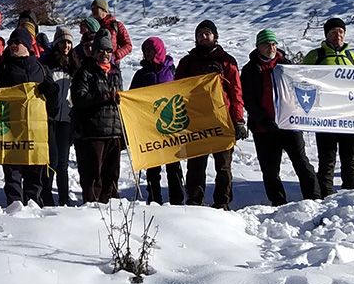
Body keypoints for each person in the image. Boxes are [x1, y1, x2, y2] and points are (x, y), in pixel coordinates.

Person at [240, 28, 319, 204]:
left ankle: (314, 198)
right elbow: (248, 99)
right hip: (264, 128)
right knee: (270, 170)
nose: (271, 47)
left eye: (274, 44)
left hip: (290, 125)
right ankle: (278, 202)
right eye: (267, 44)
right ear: (258, 46)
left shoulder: (288, 65)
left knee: (302, 163)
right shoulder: (250, 69)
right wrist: (263, 119)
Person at [175, 21, 248, 208]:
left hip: (223, 121)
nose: (203, 37)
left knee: (223, 166)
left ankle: (222, 202)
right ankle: (194, 201)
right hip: (196, 122)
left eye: (207, 33)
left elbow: (236, 93)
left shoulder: (227, 61)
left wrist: (238, 120)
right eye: (200, 34)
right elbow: (176, 91)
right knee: (195, 166)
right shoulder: (187, 62)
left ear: (215, 36)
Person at [0, 26, 59, 204]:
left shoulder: (41, 69)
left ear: (27, 45)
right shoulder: (2, 68)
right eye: (11, 42)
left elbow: (53, 108)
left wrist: (52, 91)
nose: (12, 45)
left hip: (35, 133)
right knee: (12, 176)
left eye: (17, 42)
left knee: (35, 175)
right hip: (10, 132)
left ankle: (33, 207)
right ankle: (15, 208)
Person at [303, 17, 354, 195]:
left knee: (350, 157)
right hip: (325, 116)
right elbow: (302, 80)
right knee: (327, 158)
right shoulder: (316, 56)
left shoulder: (352, 56)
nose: (338, 35)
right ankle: (326, 193)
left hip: (349, 115)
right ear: (326, 35)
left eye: (341, 32)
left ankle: (351, 191)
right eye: (333, 32)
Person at [70, 31, 123, 203]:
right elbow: (78, 98)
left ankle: (112, 207)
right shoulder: (85, 72)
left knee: (112, 174)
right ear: (94, 52)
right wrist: (105, 96)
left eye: (108, 51)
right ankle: (92, 209)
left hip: (114, 131)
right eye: (101, 50)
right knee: (93, 175)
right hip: (92, 132)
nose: (105, 54)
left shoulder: (116, 72)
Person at [130, 37, 183, 204]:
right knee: (153, 167)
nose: (148, 54)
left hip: (170, 126)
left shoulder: (172, 72)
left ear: (159, 50)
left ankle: (177, 199)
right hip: (150, 127)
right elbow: (132, 97)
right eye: (145, 51)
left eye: (151, 50)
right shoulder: (141, 75)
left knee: (173, 166)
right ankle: (154, 198)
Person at [42, 29, 78, 206]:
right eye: (63, 42)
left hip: (67, 119)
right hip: (50, 118)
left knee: (62, 162)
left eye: (69, 43)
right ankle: (47, 196)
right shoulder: (48, 64)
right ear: (56, 44)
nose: (66, 46)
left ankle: (64, 198)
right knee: (52, 160)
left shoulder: (74, 65)